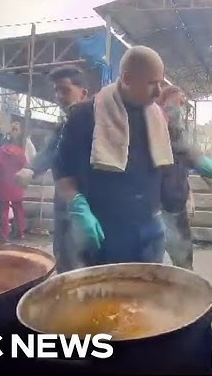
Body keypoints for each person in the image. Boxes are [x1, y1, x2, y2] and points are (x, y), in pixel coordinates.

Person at [55, 46, 176, 265]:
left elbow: (174, 157)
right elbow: (62, 172)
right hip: (103, 234)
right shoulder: (84, 116)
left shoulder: (158, 118)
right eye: (152, 83)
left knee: (150, 296)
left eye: (160, 83)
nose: (159, 92)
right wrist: (78, 205)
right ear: (128, 79)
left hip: (149, 231)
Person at [16, 65, 88, 273]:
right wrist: (30, 168)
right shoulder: (64, 125)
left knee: (83, 264)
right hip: (64, 204)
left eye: (65, 90)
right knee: (64, 258)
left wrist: (32, 168)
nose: (59, 96)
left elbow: (54, 152)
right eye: (56, 91)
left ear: (83, 93)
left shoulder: (95, 123)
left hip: (86, 203)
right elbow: (51, 149)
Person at [158, 85, 212, 270]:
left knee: (184, 262)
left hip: (178, 206)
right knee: (159, 263)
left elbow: (182, 167)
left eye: (184, 105)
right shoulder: (161, 128)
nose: (181, 108)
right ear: (163, 102)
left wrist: (189, 196)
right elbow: (193, 158)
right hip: (161, 208)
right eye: (179, 103)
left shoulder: (178, 129)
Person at [0, 124, 28, 241]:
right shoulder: (21, 152)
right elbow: (25, 167)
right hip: (17, 183)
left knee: (4, 210)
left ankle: (4, 234)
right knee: (19, 209)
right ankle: (21, 232)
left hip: (3, 183)